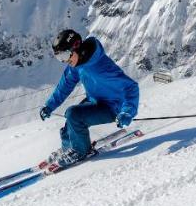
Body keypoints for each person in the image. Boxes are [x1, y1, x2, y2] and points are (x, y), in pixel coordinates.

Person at [39, 29, 140, 168]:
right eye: (60, 57)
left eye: (65, 55)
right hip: (95, 102)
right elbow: (65, 85)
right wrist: (49, 105)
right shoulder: (77, 63)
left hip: (113, 108)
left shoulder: (101, 66)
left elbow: (131, 87)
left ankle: (80, 151)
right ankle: (68, 148)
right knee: (69, 123)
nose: (65, 61)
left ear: (76, 47)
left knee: (74, 115)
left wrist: (127, 112)